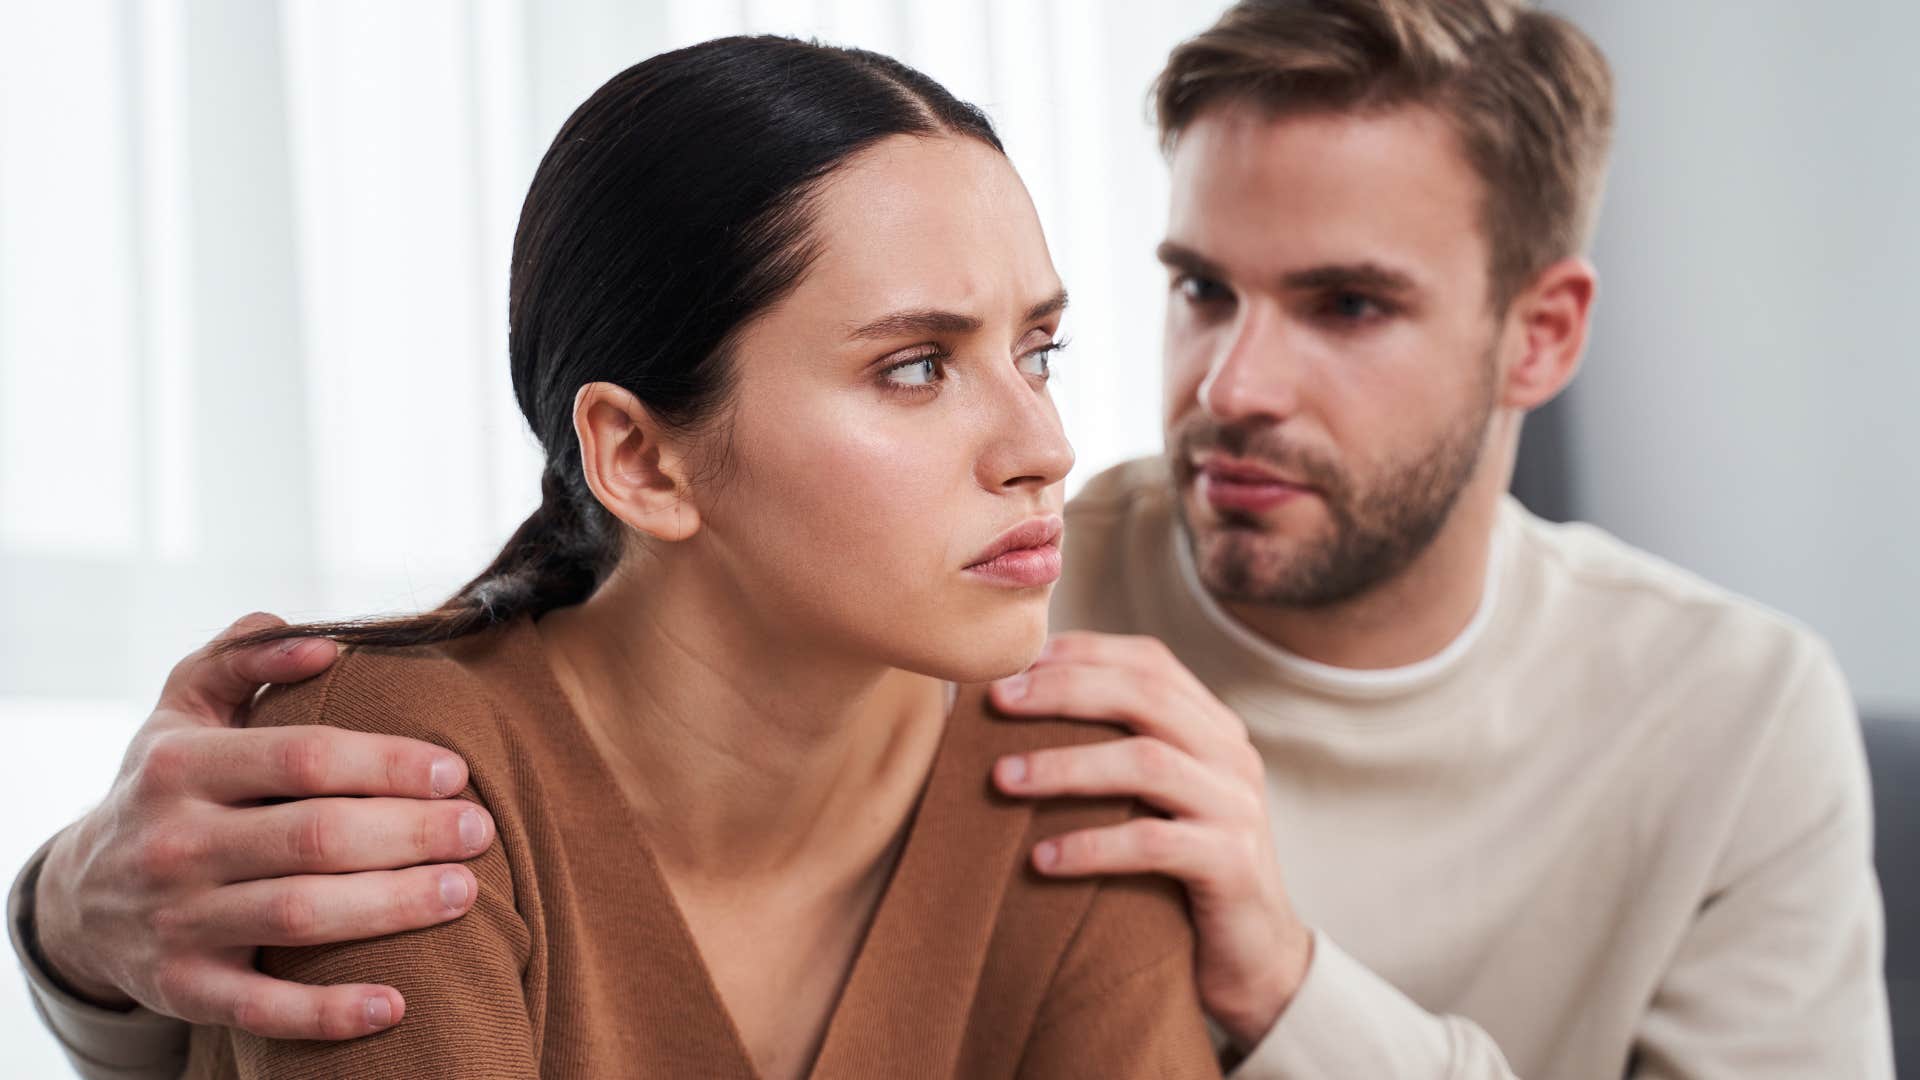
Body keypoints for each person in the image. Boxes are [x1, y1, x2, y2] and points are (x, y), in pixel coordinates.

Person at [11, 1, 1896, 1077]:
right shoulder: (985, 582)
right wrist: (69, 920)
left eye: (1345, 306)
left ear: (1541, 339)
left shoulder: (1732, 719)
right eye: (1187, 293)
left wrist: (1293, 986)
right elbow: (622, 619)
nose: (1199, 398)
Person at [17, 33, 1230, 1080]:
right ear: (641, 460)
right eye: (914, 367)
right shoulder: (394, 778)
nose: (1046, 447)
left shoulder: (1078, 802)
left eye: (1038, 351)